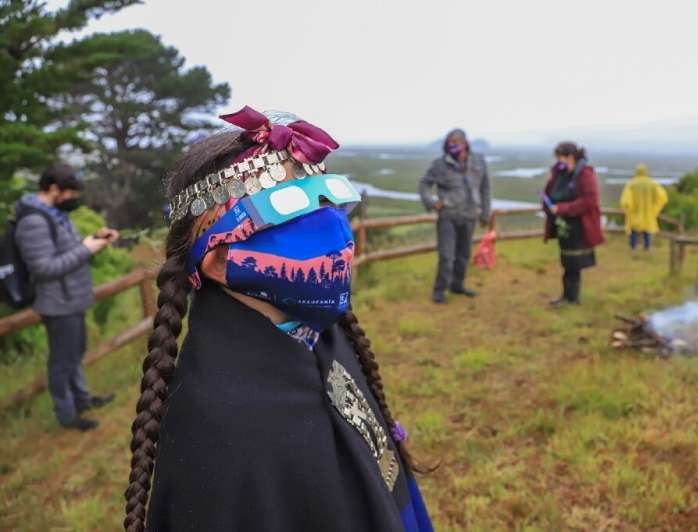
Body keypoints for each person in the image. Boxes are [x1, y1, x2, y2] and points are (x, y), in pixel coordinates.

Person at [123, 107, 433, 532]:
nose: (334, 231)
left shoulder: (323, 334)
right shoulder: (217, 436)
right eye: (292, 210)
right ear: (215, 259)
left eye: (328, 198)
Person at [14, 163, 118, 431]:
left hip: (71, 298)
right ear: (53, 189)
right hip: (57, 304)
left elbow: (64, 248)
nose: (74, 199)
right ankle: (67, 415)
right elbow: (44, 268)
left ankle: (83, 400)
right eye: (70, 193)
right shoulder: (33, 221)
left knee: (75, 354)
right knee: (61, 362)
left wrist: (94, 238)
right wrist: (86, 249)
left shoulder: (53, 213)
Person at [418, 128, 491, 304]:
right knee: (446, 256)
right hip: (448, 216)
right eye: (450, 142)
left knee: (464, 255)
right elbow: (424, 184)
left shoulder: (479, 161)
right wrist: (431, 201)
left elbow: (485, 188)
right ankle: (439, 291)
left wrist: (485, 213)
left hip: (470, 215)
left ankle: (457, 285)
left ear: (465, 143)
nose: (453, 146)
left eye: (456, 142)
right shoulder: (440, 164)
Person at [542, 142, 604, 305]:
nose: (558, 162)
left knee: (573, 264)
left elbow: (590, 201)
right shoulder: (559, 174)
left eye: (560, 158)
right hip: (564, 226)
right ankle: (567, 296)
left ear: (570, 157)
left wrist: (563, 208)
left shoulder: (585, 175)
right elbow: (550, 192)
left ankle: (571, 297)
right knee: (567, 262)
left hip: (579, 227)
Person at [620, 163, 668, 251]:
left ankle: (633, 247)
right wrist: (654, 207)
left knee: (633, 229)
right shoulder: (652, 183)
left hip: (635, 211)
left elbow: (626, 200)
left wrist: (628, 209)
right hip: (648, 212)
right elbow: (662, 196)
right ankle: (647, 247)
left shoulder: (631, 183)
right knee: (648, 229)